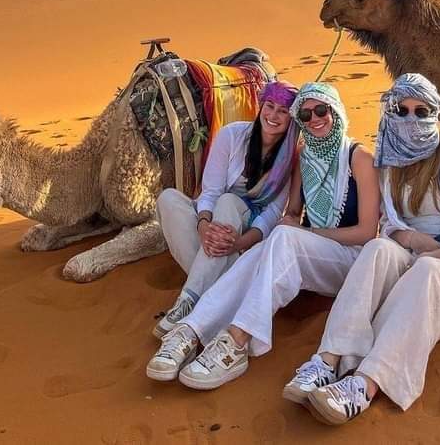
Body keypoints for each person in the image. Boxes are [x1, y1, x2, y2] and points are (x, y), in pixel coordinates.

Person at [284, 73, 440, 426]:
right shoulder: (388, 159)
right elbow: (388, 225)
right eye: (401, 110)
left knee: (428, 271)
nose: (410, 119)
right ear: (389, 110)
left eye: (421, 111)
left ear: (435, 112)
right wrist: (417, 242)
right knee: (376, 250)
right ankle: (328, 359)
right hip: (416, 255)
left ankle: (365, 383)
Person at [146, 82, 380, 388]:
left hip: (350, 261)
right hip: (311, 253)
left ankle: (237, 341)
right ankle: (190, 329)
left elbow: (366, 233)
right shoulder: (304, 158)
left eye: (322, 110)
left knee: (281, 237)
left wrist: (302, 232)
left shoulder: (359, 158)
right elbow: (293, 212)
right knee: (272, 241)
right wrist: (291, 226)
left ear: (336, 112)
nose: (315, 119)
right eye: (306, 115)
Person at [152, 80, 299, 337]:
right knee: (168, 199)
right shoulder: (232, 135)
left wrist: (239, 243)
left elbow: (272, 215)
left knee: (229, 202)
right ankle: (217, 291)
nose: (273, 115)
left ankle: (188, 300)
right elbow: (210, 191)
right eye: (269, 106)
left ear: (291, 118)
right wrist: (204, 227)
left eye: (283, 111)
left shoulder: (290, 157)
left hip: (245, 239)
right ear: (261, 106)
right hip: (214, 233)